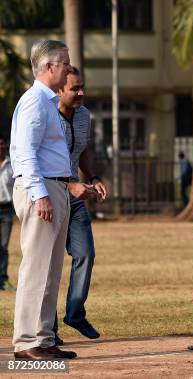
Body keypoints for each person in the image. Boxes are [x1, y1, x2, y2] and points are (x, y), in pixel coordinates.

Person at [10, 40, 76, 360]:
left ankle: (44, 336)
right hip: (42, 189)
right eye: (64, 62)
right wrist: (40, 195)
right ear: (49, 67)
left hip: (56, 187)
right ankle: (25, 342)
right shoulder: (35, 101)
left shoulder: (48, 103)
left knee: (50, 270)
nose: (68, 67)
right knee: (35, 268)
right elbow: (25, 152)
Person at [53, 66, 107, 345]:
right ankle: (46, 326)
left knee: (86, 253)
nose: (81, 93)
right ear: (59, 89)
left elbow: (82, 149)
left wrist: (92, 177)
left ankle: (75, 313)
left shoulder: (84, 115)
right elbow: (34, 160)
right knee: (48, 264)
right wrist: (66, 185)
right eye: (74, 88)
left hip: (75, 196)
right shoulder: (46, 115)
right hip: (49, 196)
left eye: (81, 87)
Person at [0, 135, 15, 291]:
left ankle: (3, 280)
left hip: (7, 210)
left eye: (2, 144)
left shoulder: (12, 165)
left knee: (3, 247)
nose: (0, 147)